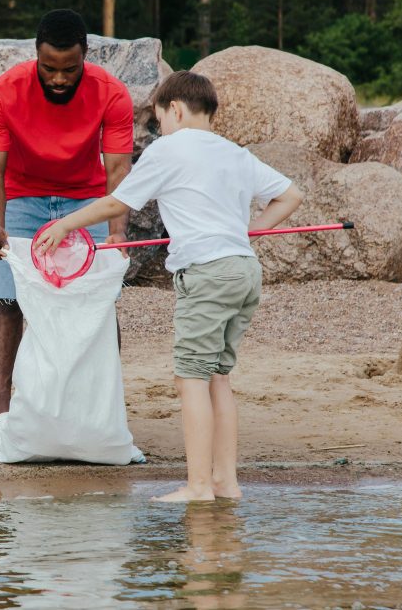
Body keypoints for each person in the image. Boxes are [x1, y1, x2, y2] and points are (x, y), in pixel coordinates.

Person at [34, 70, 303, 502]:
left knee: (190, 379)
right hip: (244, 271)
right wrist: (246, 231)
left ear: (174, 109)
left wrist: (64, 224)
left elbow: (117, 202)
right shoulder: (235, 153)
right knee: (217, 375)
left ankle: (198, 487)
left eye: (160, 120)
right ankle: (225, 483)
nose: (161, 128)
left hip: (208, 274)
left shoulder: (169, 149)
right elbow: (291, 195)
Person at [0, 9, 135, 419]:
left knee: (98, 303)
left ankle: (100, 408)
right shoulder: (2, 93)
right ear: (36, 56)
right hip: (24, 198)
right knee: (9, 300)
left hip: (86, 201)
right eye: (49, 68)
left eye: (70, 69)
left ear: (85, 55)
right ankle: (2, 410)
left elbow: (118, 170)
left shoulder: (112, 93)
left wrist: (117, 231)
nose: (60, 79)